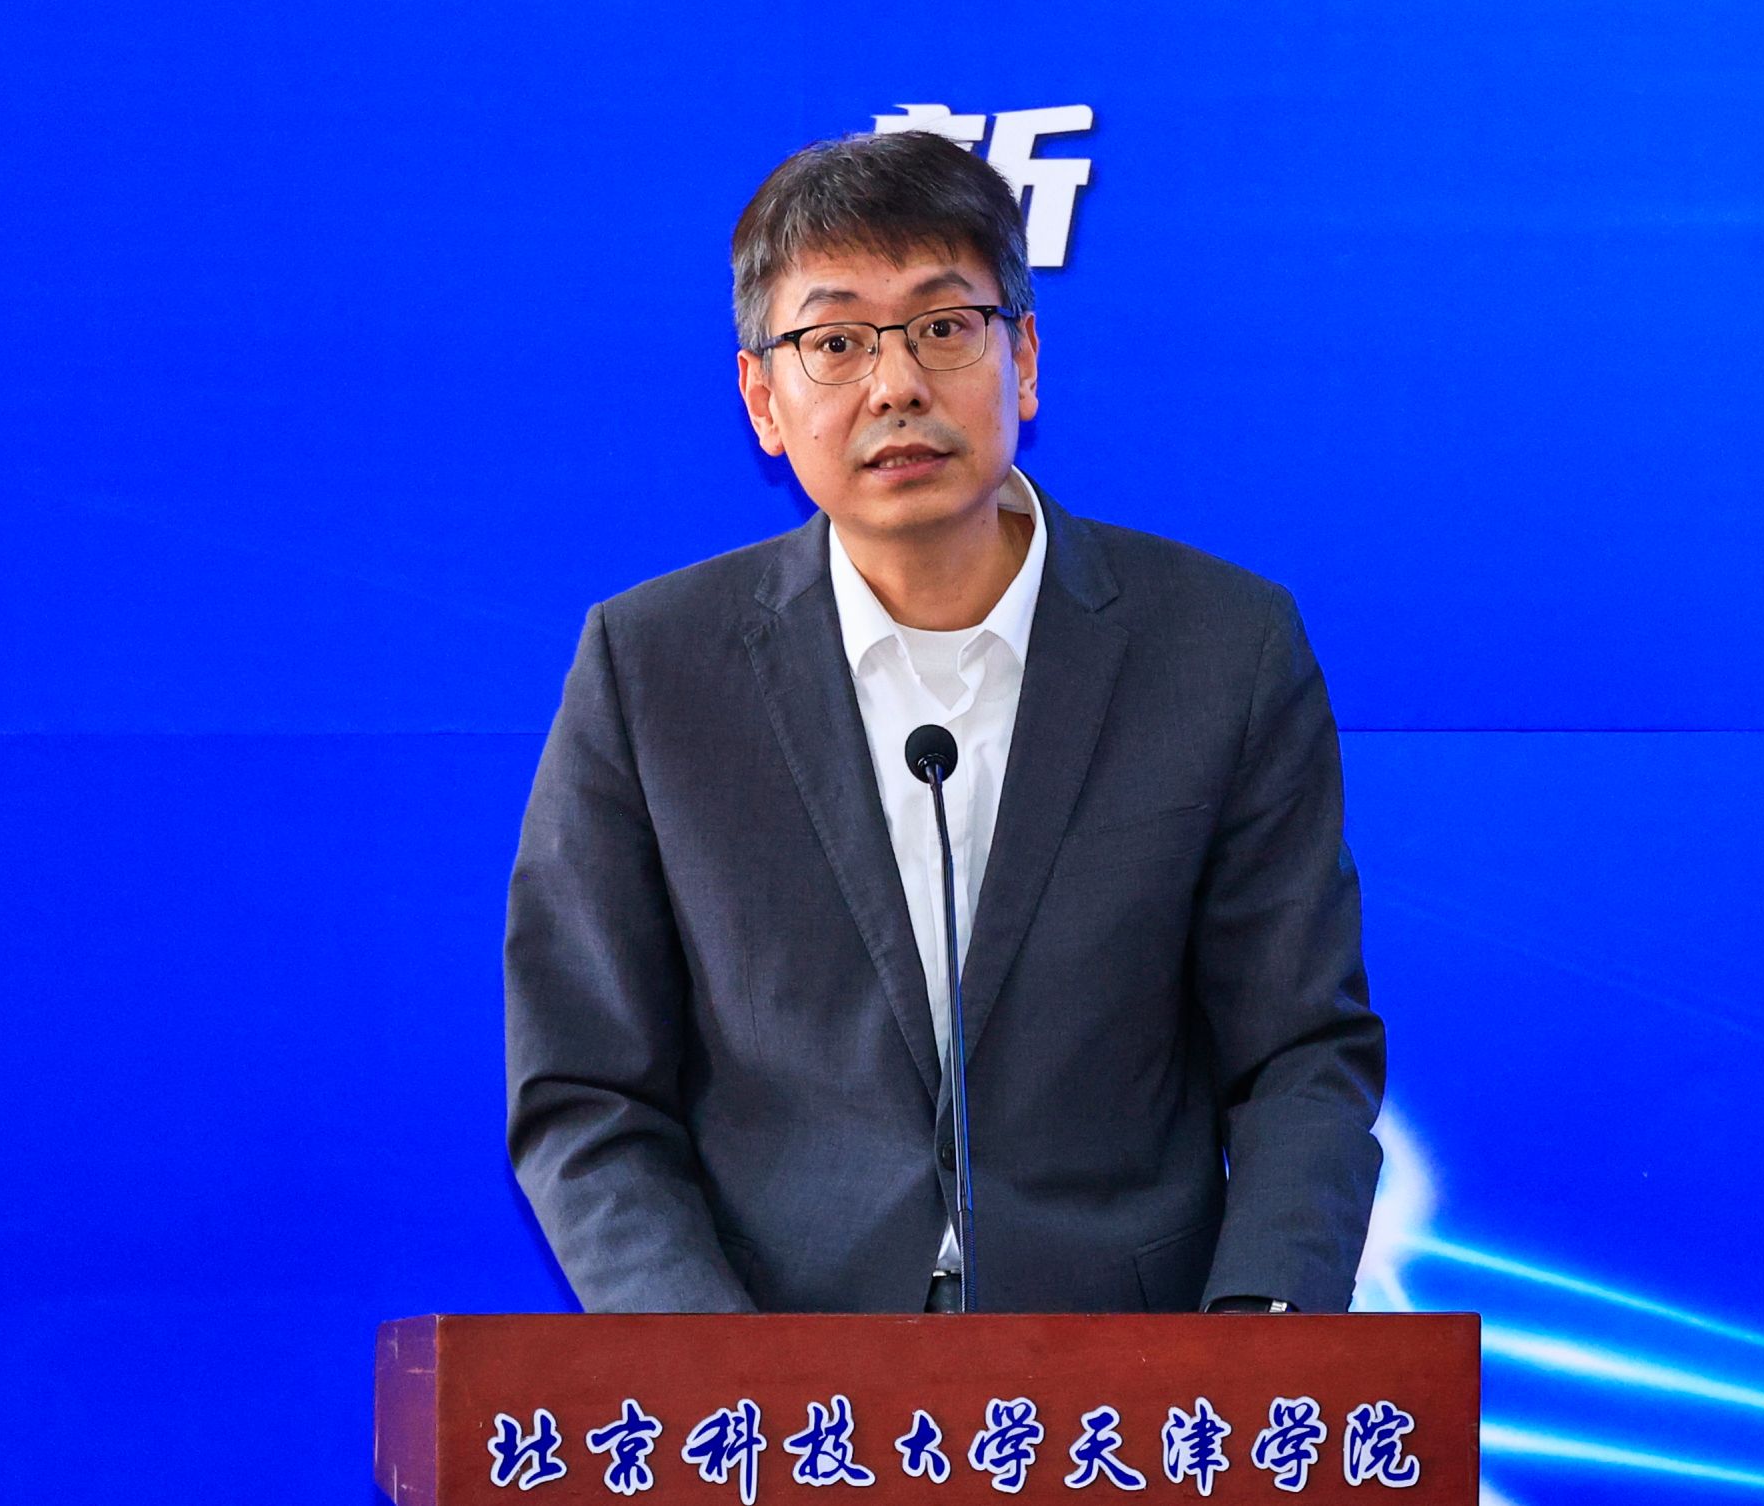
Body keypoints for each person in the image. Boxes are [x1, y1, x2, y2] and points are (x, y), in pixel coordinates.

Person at [505, 129, 1383, 1315]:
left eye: (941, 326)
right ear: (762, 400)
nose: (896, 385)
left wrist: (1253, 1340)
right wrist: (711, 1370)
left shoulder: (1220, 647)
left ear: (1022, 358)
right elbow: (585, 1091)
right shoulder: (650, 665)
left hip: (1127, 1370)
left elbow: (1296, 1055)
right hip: (782, 1369)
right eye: (835, 343)